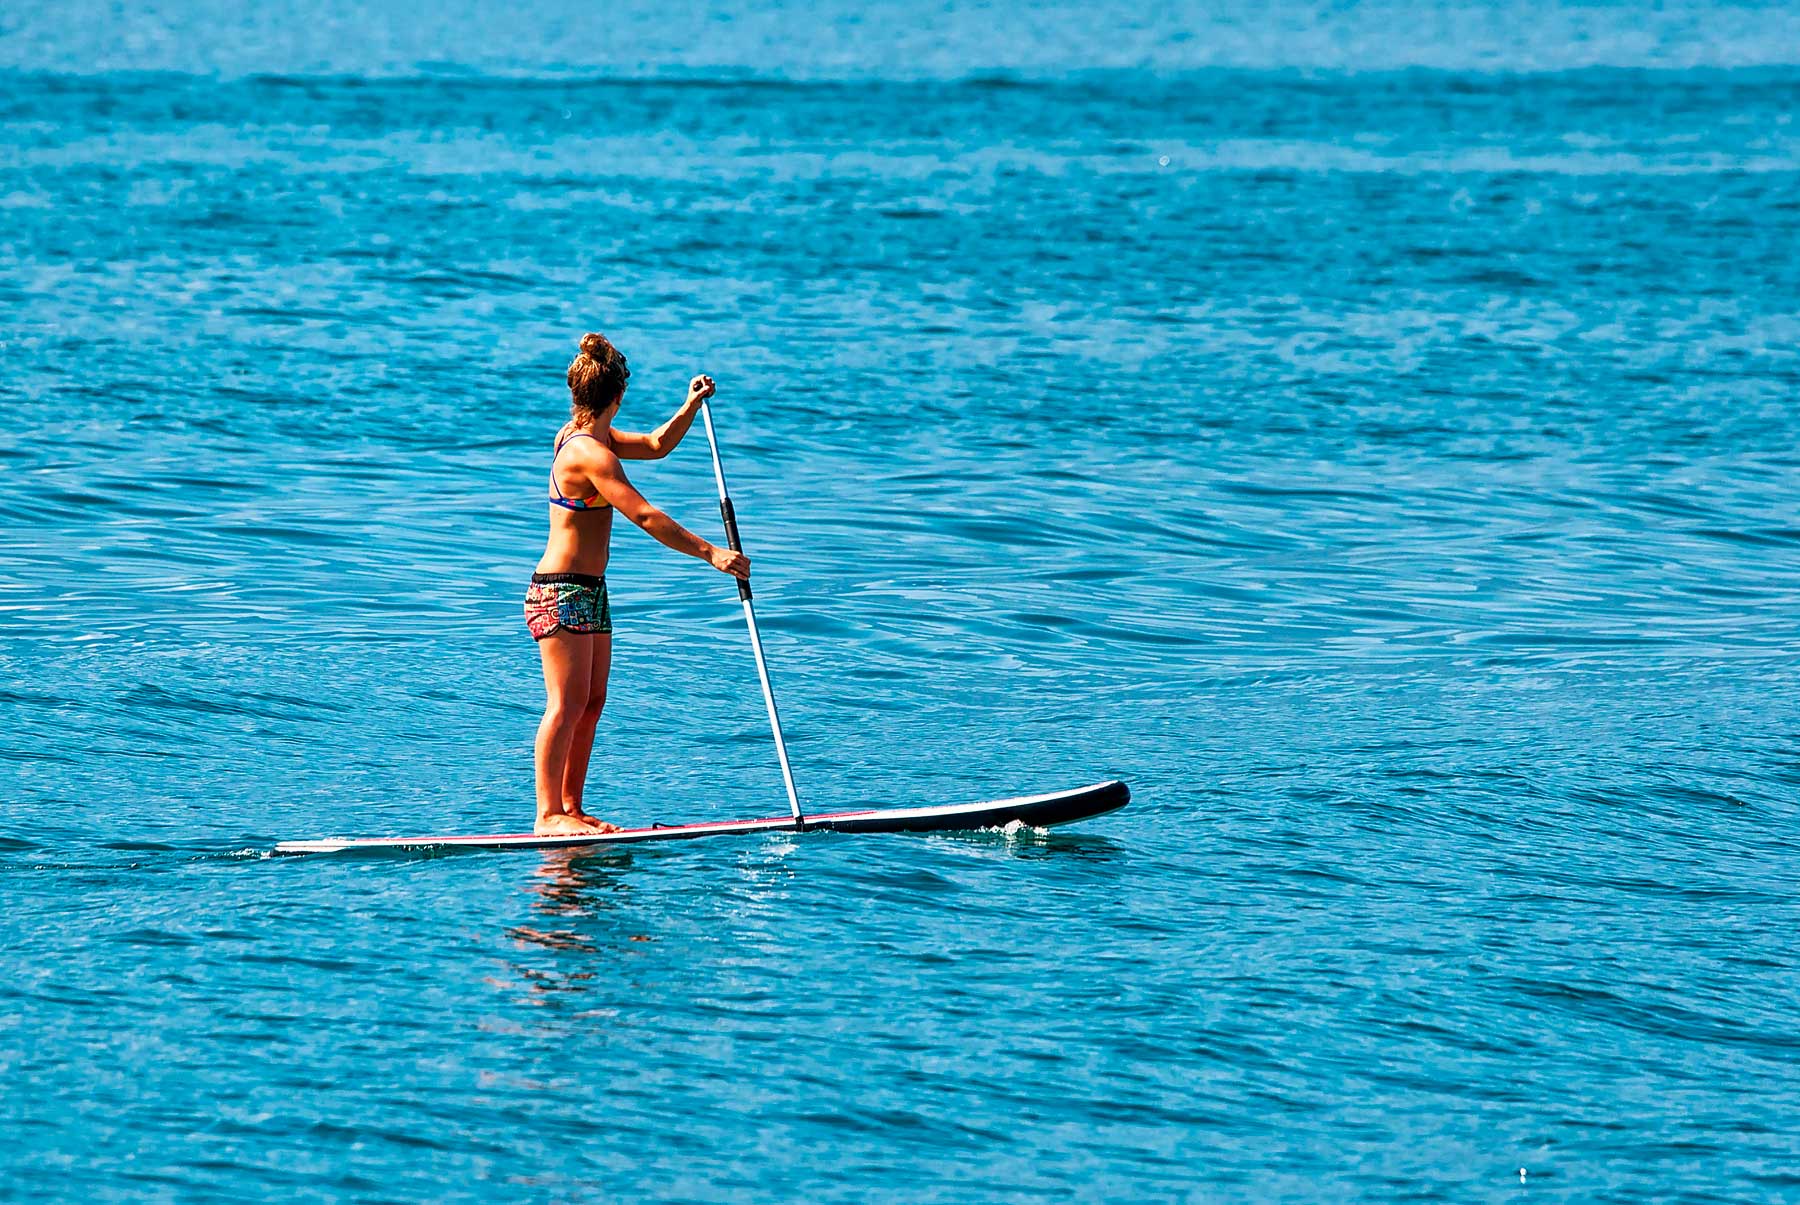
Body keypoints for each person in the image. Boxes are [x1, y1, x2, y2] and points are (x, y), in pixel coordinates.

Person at [523, 332, 751, 835]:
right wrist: (711, 551)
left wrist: (690, 405)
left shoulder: (596, 438)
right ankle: (547, 816)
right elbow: (644, 516)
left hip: (589, 591)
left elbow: (655, 444)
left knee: (592, 701)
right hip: (558, 591)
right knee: (565, 703)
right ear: (616, 396)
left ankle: (571, 808)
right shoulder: (586, 453)